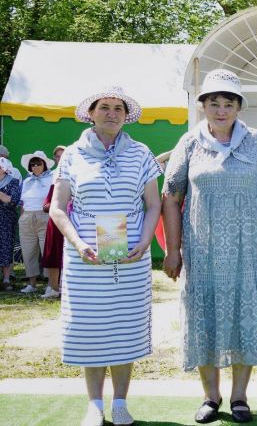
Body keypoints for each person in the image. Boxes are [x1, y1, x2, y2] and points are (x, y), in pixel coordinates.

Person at [162, 69, 257, 424]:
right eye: (214, 103)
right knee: (203, 315)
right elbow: (171, 196)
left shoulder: (255, 140)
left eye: (229, 103)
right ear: (203, 105)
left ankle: (239, 397)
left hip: (250, 250)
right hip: (202, 251)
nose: (221, 110)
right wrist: (172, 250)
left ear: (238, 107)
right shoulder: (189, 143)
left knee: (246, 315)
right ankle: (210, 397)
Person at [49, 86, 161, 426]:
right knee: (91, 330)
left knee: (124, 328)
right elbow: (57, 208)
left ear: (126, 117)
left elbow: (153, 204)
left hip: (130, 257)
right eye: (105, 107)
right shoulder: (71, 154)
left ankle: (121, 403)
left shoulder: (141, 153)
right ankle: (95, 404)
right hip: (86, 259)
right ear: (91, 113)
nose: (112, 113)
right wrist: (78, 243)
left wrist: (145, 243)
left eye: (118, 108)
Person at [18, 150, 55, 293]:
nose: (35, 166)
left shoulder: (52, 178)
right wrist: (22, 217)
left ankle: (50, 284)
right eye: (32, 164)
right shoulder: (27, 180)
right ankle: (32, 284)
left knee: (47, 250)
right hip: (27, 216)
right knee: (28, 251)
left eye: (38, 163)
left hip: (45, 216)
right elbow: (22, 202)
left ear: (44, 164)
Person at [40, 145, 67, 299]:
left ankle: (64, 287)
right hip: (54, 219)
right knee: (52, 253)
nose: (60, 158)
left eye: (62, 155)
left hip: (69, 218)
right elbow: (50, 198)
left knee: (65, 254)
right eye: (57, 156)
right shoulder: (54, 174)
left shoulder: (74, 170)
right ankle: (53, 287)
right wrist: (49, 205)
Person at [0, 157, 21, 291]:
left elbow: (12, 201)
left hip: (6, 220)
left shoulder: (13, 182)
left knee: (6, 247)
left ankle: (6, 280)